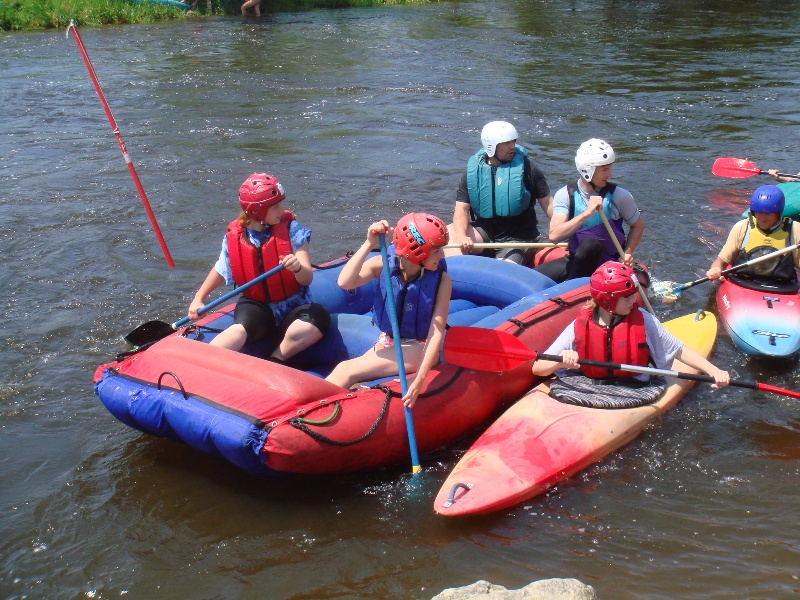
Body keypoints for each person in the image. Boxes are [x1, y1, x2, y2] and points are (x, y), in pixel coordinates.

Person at [532, 261, 729, 404]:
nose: (633, 301)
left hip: (635, 388)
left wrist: (713, 371)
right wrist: (560, 359)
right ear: (607, 300)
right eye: (626, 297)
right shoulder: (581, 323)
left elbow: (679, 350)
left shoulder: (643, 319)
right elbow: (538, 368)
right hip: (587, 386)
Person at [189, 172, 330, 361]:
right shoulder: (235, 236)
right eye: (275, 207)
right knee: (238, 330)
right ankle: (198, 363)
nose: (282, 210)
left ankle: (277, 358)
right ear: (258, 212)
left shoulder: (292, 230)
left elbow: (307, 278)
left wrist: (297, 268)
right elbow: (222, 269)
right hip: (256, 306)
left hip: (294, 304)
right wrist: (199, 298)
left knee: (317, 319)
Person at [325, 213, 452, 408]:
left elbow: (436, 334)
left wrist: (419, 380)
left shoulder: (442, 280)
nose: (442, 256)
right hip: (388, 340)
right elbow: (345, 282)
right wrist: (369, 243)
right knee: (354, 383)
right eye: (436, 251)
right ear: (417, 252)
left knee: (346, 370)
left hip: (421, 347)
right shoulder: (383, 264)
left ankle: (297, 415)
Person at [534, 139, 645, 283]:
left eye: (610, 168)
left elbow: (638, 226)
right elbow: (555, 236)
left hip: (608, 264)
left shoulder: (619, 196)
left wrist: (627, 254)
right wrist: (587, 213)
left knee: (589, 245)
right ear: (587, 170)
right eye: (604, 169)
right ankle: (571, 284)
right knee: (531, 277)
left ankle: (569, 286)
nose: (610, 174)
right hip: (577, 260)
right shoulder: (566, 195)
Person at [444, 121, 553, 265]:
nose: (512, 146)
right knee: (445, 238)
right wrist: (462, 236)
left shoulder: (528, 168)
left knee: (502, 270)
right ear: (491, 147)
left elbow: (549, 205)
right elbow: (461, 210)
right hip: (484, 232)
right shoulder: (474, 171)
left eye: (513, 141)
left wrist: (564, 230)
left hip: (518, 238)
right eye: (506, 143)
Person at [707, 184, 800, 285]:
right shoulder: (742, 227)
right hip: (743, 283)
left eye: (768, 213)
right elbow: (720, 262)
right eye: (759, 212)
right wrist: (715, 269)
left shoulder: (794, 230)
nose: (762, 218)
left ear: (778, 213)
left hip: (783, 287)